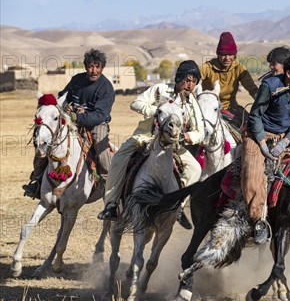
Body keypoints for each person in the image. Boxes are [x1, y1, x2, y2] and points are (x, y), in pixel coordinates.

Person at [97, 60, 205, 229]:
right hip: (145, 137)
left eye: (194, 81)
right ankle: (111, 205)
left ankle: (178, 207)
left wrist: (186, 136)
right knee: (118, 159)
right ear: (179, 78)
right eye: (187, 80)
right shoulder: (160, 90)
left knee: (196, 169)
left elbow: (201, 132)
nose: (190, 85)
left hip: (174, 144)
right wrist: (159, 112)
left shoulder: (192, 104)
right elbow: (136, 103)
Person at [242, 54, 290, 243]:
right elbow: (255, 116)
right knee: (252, 175)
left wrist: (286, 142)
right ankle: (258, 221)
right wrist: (263, 144)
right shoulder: (270, 86)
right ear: (289, 73)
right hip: (260, 135)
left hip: (286, 136)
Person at [23, 48, 115, 199]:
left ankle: (109, 183)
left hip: (96, 124)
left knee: (100, 145)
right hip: (73, 120)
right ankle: (38, 180)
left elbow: (100, 115)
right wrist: (68, 107)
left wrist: (78, 116)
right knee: (45, 140)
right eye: (90, 66)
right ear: (85, 67)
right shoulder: (77, 80)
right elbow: (63, 96)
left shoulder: (106, 88)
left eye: (97, 66)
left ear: (102, 68)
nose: (93, 70)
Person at [200, 31, 259, 129]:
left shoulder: (239, 69)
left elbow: (252, 89)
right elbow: (194, 78)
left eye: (230, 54)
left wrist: (260, 101)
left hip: (231, 108)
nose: (227, 58)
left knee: (252, 127)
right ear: (218, 54)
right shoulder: (207, 67)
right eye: (223, 54)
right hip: (208, 108)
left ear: (234, 55)